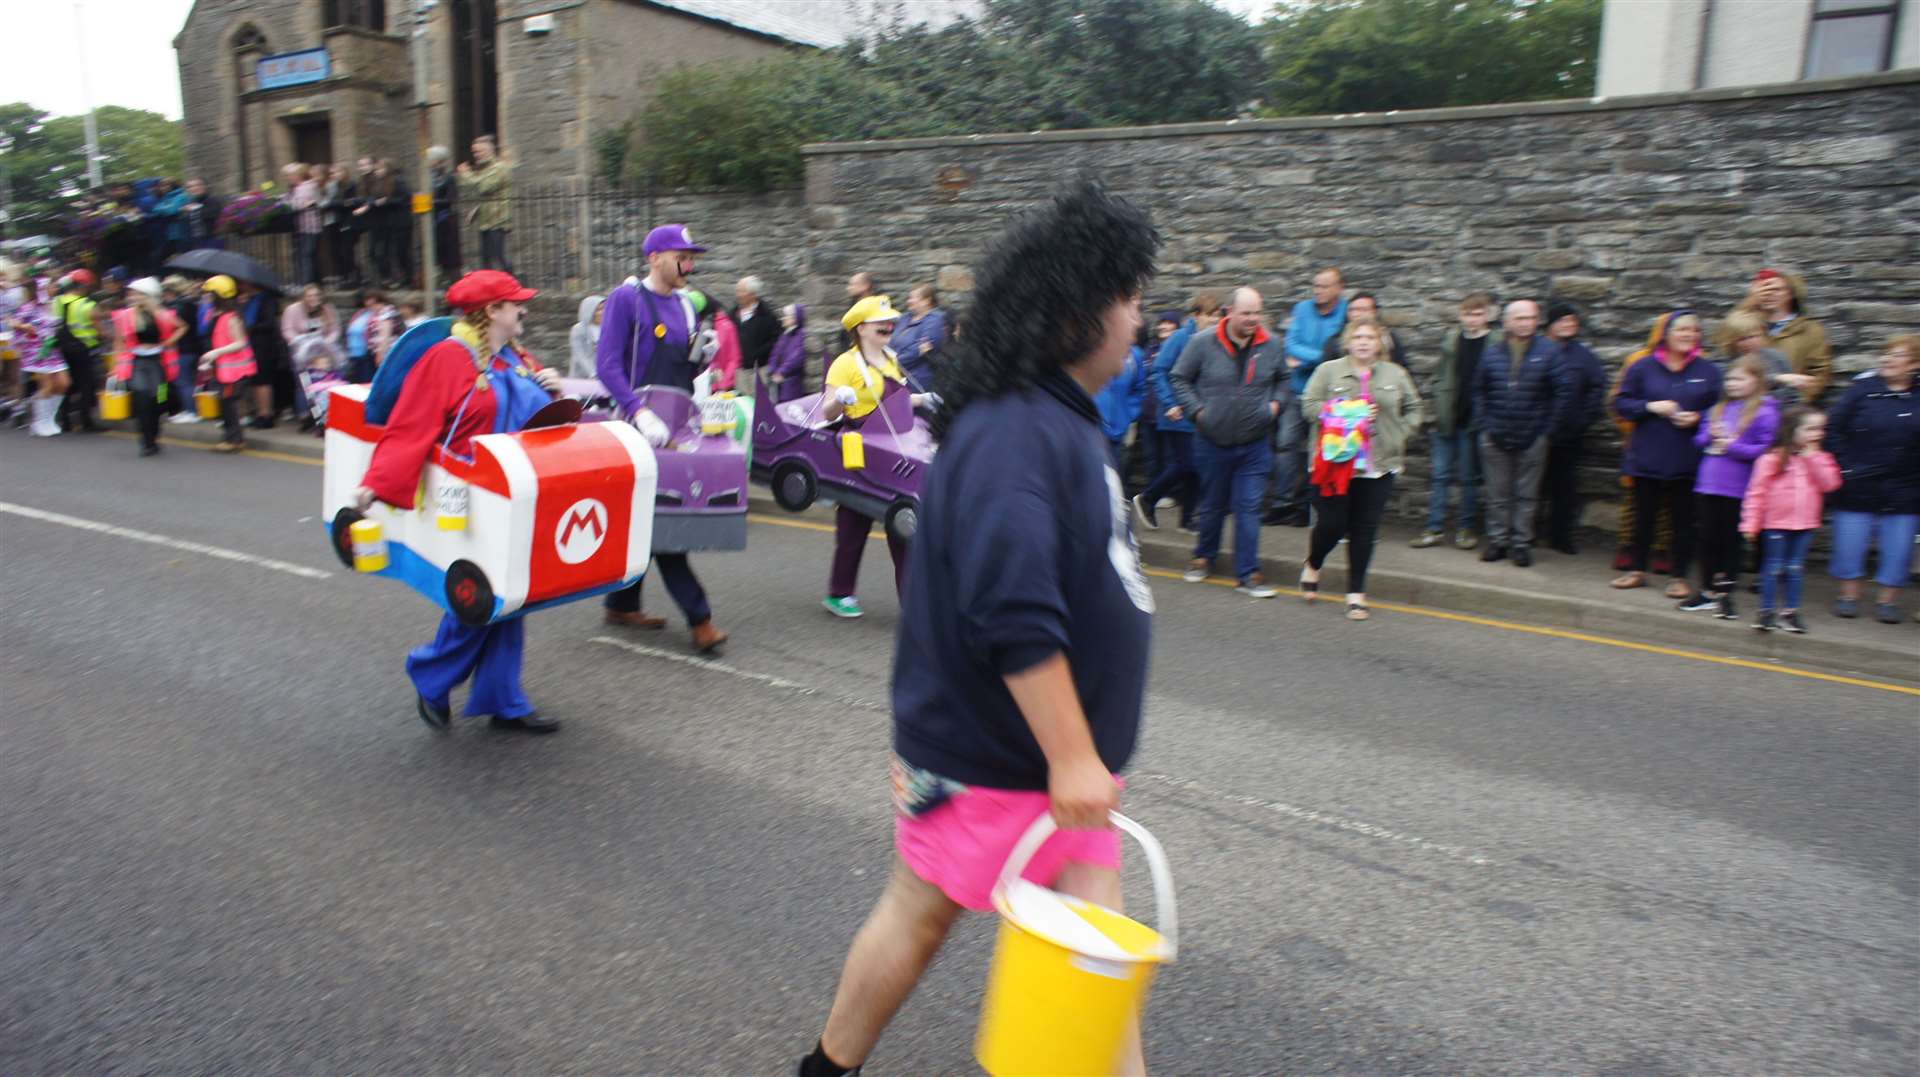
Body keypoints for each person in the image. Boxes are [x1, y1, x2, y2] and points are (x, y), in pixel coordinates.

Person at [798, 181, 1158, 1077]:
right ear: (1082, 310)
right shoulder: (1013, 432)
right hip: (992, 758)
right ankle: (826, 1067)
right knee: (923, 917)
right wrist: (1075, 756)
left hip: (1047, 765)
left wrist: (1080, 758)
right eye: (1131, 295)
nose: (1139, 315)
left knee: (1088, 952)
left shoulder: (1057, 420)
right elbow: (1011, 609)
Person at [351, 270, 564, 733]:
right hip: (467, 497)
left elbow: (539, 418)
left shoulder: (513, 356)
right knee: (479, 594)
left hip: (513, 489)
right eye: (515, 303)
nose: (523, 308)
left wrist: (553, 389)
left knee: (512, 596)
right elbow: (411, 425)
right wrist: (375, 484)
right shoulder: (448, 357)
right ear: (491, 312)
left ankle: (502, 698)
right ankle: (432, 677)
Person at [595, 223, 728, 653]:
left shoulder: (688, 307)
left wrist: (702, 359)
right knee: (664, 520)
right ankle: (700, 618)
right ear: (655, 257)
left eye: (692, 258)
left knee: (648, 516)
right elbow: (608, 365)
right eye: (682, 256)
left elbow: (684, 375)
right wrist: (638, 412)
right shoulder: (627, 299)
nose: (689, 264)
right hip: (637, 425)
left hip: (674, 425)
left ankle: (621, 603)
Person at [817, 295, 935, 617]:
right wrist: (840, 399)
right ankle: (839, 594)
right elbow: (827, 409)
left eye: (890, 321)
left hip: (896, 446)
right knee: (853, 526)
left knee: (902, 523)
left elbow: (897, 401)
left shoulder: (891, 359)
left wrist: (923, 399)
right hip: (863, 449)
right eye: (879, 322)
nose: (888, 325)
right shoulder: (845, 363)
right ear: (860, 328)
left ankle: (914, 606)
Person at [1299, 320, 1423, 621]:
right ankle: (1314, 563)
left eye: (1370, 337)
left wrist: (1400, 434)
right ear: (1348, 342)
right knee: (1333, 524)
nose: (1364, 342)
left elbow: (1414, 407)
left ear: (1380, 343)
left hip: (1378, 466)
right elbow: (1309, 406)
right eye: (1358, 337)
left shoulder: (1396, 374)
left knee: (1365, 529)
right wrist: (1343, 411)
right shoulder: (1328, 370)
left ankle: (1356, 593)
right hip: (1334, 464)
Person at [1170, 286, 1289, 598]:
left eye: (1257, 313)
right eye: (1246, 313)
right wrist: (1197, 412)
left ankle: (1248, 573)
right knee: (1212, 505)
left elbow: (1284, 380)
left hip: (1255, 443)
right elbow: (1179, 378)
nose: (1253, 319)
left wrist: (1275, 406)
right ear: (1230, 313)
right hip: (1212, 440)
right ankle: (1204, 557)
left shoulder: (1272, 344)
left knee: (1249, 507)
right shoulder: (1202, 343)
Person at [1610, 311, 1723, 595]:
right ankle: (1636, 570)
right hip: (1646, 455)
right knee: (1642, 517)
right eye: (1682, 330)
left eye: (1694, 330)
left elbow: (1722, 410)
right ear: (1666, 335)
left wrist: (1699, 418)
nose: (1688, 335)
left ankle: (1679, 576)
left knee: (1683, 521)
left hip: (1688, 458)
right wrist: (1651, 407)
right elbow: (1621, 403)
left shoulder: (1708, 371)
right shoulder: (1643, 367)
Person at [1825, 336, 1920, 624]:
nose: (1887, 360)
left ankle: (1888, 602)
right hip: (1859, 481)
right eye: (1885, 354)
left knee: (1899, 546)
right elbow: (1833, 429)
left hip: (1906, 484)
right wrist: (1846, 466)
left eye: (1897, 355)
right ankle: (1848, 597)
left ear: (1915, 364)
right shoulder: (1861, 391)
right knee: (1849, 543)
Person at [1679, 355, 1779, 617]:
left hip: (1738, 487)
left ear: (1757, 381)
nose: (1732, 383)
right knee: (1706, 538)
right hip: (1708, 483)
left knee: (1730, 542)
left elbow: (1766, 450)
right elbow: (1698, 440)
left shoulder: (1765, 412)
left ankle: (1725, 593)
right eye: (1730, 378)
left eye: (1739, 378)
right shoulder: (1718, 409)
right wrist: (1710, 435)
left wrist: (1733, 447)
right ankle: (1707, 590)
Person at [1470, 299, 1564, 568]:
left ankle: (1521, 543)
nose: (1526, 323)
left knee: (1527, 495)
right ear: (1507, 321)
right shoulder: (1492, 352)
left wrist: (1547, 430)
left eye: (1531, 318)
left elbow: (1562, 393)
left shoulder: (1549, 352)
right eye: (1520, 318)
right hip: (1495, 434)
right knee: (1497, 493)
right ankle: (1498, 541)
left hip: (1533, 435)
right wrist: (1484, 424)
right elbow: (1479, 389)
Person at [1741, 407, 1840, 634]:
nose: (1817, 433)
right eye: (1810, 428)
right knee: (1773, 567)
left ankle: (1790, 612)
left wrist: (1812, 458)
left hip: (1804, 524)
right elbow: (1756, 493)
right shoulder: (1770, 459)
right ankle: (1766, 612)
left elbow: (1830, 484)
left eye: (1820, 429)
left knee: (1795, 568)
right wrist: (1751, 523)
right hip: (1776, 524)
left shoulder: (1822, 458)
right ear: (1792, 430)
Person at [1132, 294, 1219, 532]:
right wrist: (1170, 403)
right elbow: (1159, 372)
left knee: (1194, 467)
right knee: (1187, 463)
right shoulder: (1180, 338)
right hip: (1176, 414)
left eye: (1217, 315)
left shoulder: (1212, 340)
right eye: (1210, 314)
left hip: (1195, 414)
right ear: (1196, 315)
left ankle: (1187, 519)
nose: (1214, 320)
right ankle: (1148, 498)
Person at [1413, 292, 1492, 550]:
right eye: (1468, 314)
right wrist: (1438, 402)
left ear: (1487, 315)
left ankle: (1466, 529)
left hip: (1475, 421)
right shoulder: (1452, 341)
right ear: (1461, 315)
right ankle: (1434, 528)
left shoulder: (1495, 342)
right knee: (1440, 476)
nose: (1473, 319)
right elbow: (1440, 377)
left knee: (1469, 478)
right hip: (1448, 418)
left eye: (1478, 314)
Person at [1270, 267, 1347, 526]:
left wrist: (1308, 360)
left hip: (1328, 395)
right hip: (1297, 390)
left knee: (1322, 452)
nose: (1318, 291)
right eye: (1316, 285)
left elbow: (1338, 352)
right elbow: (1290, 344)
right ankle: (1283, 503)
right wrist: (1321, 358)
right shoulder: (1302, 309)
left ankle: (1308, 507)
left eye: (1324, 286)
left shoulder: (1347, 312)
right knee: (1285, 445)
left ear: (1339, 288)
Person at [1539, 302, 1608, 555]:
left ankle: (1560, 536)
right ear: (1551, 324)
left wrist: (1583, 419)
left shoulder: (1583, 356)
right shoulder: (1537, 349)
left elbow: (1597, 387)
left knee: (1564, 487)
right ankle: (1529, 533)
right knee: (1531, 486)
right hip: (1534, 429)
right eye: (1563, 320)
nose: (1569, 325)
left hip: (1568, 433)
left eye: (1573, 321)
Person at [1724, 269, 1831, 402]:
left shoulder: (1810, 330)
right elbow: (1726, 346)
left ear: (1791, 293)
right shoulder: (1746, 325)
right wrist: (1750, 301)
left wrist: (1796, 402)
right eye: (1764, 289)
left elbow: (1820, 373)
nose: (1769, 294)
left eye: (1777, 289)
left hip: (1788, 410)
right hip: (1745, 406)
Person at [108, 277, 185, 457]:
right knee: (142, 396)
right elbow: (118, 342)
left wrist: (168, 343)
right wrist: (114, 365)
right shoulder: (125, 315)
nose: (132, 297)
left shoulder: (161, 313)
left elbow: (182, 327)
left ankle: (155, 433)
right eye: (131, 293)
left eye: (136, 293)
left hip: (159, 362)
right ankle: (146, 442)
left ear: (147, 295)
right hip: (137, 362)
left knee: (159, 397)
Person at [196, 274, 256, 453]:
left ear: (219, 295)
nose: (206, 297)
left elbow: (240, 342)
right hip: (221, 369)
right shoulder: (215, 314)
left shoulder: (232, 317)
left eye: (210, 294)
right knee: (225, 404)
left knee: (229, 405)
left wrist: (216, 352)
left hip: (233, 371)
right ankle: (231, 437)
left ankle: (234, 439)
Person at [50, 270, 104, 433]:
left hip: (61, 347)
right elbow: (100, 331)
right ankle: (86, 421)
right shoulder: (88, 305)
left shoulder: (57, 301)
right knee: (87, 384)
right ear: (85, 286)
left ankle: (65, 420)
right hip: (83, 349)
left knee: (66, 383)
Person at [1718, 309, 1805, 405]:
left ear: (1763, 334)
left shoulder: (1776, 357)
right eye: (1741, 339)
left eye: (1752, 336)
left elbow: (1793, 396)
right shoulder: (1725, 363)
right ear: (1732, 341)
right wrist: (1777, 378)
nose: (1748, 343)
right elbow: (1736, 387)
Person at [1094, 326, 1148, 474]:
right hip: (1091, 426)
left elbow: (1141, 387)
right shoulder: (1089, 350)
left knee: (1117, 475)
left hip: (1118, 429)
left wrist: (1129, 414)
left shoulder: (1135, 355)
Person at [16, 281, 66, 437]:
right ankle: (39, 422)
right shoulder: (29, 307)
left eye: (55, 286)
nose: (55, 289)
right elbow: (13, 322)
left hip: (53, 349)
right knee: (47, 386)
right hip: (37, 351)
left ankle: (49, 418)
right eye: (51, 286)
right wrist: (26, 328)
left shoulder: (55, 304)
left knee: (64, 383)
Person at [459, 136, 514, 273]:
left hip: (497, 220)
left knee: (499, 257)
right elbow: (487, 196)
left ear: (489, 151)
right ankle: (488, 290)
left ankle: (513, 285)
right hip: (486, 221)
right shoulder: (485, 169)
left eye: (479, 152)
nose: (476, 155)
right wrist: (476, 210)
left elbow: (484, 188)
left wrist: (466, 174)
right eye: (474, 152)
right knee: (485, 259)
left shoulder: (499, 168)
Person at [162, 276, 207, 424]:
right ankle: (189, 410)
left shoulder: (179, 307)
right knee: (190, 381)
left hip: (184, 348)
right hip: (194, 347)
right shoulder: (191, 304)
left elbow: (176, 327)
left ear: (171, 291)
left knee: (183, 381)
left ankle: (191, 412)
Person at [891, 284, 949, 391]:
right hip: (894, 376)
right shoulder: (904, 318)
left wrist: (891, 363)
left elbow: (919, 351)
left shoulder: (935, 320)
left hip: (916, 380)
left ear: (926, 300)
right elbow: (888, 339)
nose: (909, 301)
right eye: (909, 297)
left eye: (913, 297)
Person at [344, 288, 400, 384]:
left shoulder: (386, 312)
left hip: (385, 353)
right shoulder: (379, 313)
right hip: (374, 353)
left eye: (373, 305)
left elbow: (384, 335)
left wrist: (380, 354)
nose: (372, 308)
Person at [731, 276, 779, 388]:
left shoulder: (767, 315)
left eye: (741, 291)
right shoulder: (733, 314)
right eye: (737, 291)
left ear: (753, 294)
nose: (738, 294)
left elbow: (775, 340)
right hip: (739, 371)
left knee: (759, 403)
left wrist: (757, 354)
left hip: (760, 370)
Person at [322, 163, 360, 288]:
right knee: (338, 251)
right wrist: (340, 203)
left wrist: (340, 203)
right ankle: (344, 277)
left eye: (336, 172)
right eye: (332, 173)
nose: (334, 175)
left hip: (348, 221)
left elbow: (352, 202)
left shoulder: (351, 184)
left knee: (347, 251)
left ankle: (353, 277)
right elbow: (330, 203)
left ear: (344, 172)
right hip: (337, 222)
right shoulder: (334, 186)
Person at [287, 164, 325, 289]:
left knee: (308, 255)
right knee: (305, 255)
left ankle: (307, 284)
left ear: (299, 175)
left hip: (311, 226)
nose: (290, 178)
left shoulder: (310, 186)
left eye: (292, 175)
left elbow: (319, 201)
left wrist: (310, 203)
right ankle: (313, 282)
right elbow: (294, 204)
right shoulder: (297, 188)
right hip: (301, 226)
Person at [428, 146, 462, 279]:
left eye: (431, 160)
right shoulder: (430, 177)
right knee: (437, 248)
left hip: (446, 217)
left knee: (449, 249)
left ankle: (452, 277)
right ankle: (440, 275)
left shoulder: (449, 178)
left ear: (438, 161)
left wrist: (433, 202)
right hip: (433, 217)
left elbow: (451, 198)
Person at [767, 303, 809, 403]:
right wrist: (772, 369)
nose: (783, 318)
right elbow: (775, 354)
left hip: (791, 383)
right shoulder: (784, 336)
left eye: (786, 316)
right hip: (777, 381)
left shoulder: (801, 336)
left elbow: (796, 358)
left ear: (794, 319)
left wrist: (781, 372)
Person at [837, 271, 876, 354]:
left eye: (852, 284)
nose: (848, 288)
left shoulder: (874, 308)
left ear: (865, 286)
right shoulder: (852, 307)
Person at [569, 295, 605, 379]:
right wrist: (593, 373)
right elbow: (580, 354)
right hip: (583, 374)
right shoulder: (578, 329)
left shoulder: (608, 328)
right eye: (599, 309)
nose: (603, 312)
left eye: (604, 308)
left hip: (604, 373)